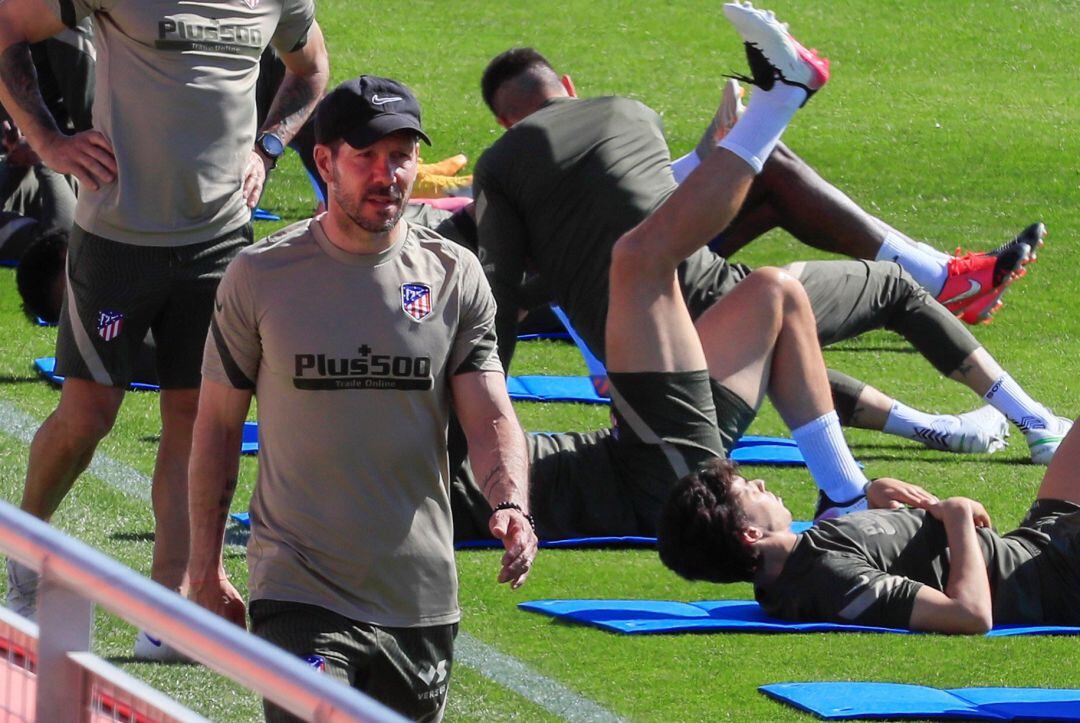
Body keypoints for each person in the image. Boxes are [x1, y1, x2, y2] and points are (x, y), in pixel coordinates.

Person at [473, 39, 1070, 465]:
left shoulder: (499, 168)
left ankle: (923, 433)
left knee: (771, 337)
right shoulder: (626, 111)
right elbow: (655, 203)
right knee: (879, 290)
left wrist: (479, 419)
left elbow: (501, 300)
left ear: (505, 123)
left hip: (638, 378)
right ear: (569, 88)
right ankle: (1035, 421)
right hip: (695, 311)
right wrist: (726, 144)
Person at [186, 76, 537, 722]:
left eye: (401, 155)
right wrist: (204, 567)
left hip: (419, 596)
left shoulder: (453, 277)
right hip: (298, 588)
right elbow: (214, 427)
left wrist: (510, 500)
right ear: (324, 162)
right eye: (367, 156)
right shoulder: (260, 277)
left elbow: (489, 412)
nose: (388, 175)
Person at [0, 0, 330, 660]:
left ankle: (169, 609)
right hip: (118, 238)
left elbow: (311, 67)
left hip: (220, 240)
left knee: (197, 413)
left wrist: (269, 147)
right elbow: (7, 28)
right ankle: (22, 555)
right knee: (89, 412)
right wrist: (47, 142)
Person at [671, 79, 1046, 326]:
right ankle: (944, 282)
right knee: (768, 167)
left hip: (642, 258)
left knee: (769, 177)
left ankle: (945, 277)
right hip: (636, 278)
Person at [658, 418, 1080, 634]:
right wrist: (955, 517)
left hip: (1035, 541)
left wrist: (873, 496)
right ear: (749, 534)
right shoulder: (828, 577)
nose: (762, 483)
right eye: (749, 490)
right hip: (1053, 574)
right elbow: (970, 615)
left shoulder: (796, 566)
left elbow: (870, 546)